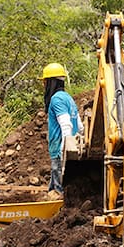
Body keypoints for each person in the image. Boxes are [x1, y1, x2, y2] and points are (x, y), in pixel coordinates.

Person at [42, 63, 82, 196]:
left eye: (45, 82)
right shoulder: (68, 98)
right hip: (67, 149)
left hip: (60, 150)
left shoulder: (57, 99)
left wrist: (64, 151)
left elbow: (66, 125)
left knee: (60, 192)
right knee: (54, 188)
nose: (44, 86)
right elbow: (79, 126)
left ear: (50, 82)